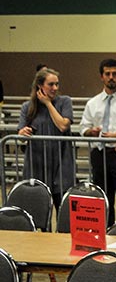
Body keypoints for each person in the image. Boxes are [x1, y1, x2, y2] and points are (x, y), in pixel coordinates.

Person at [79, 59, 116, 223]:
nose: (111, 77)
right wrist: (92, 131)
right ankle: (106, 233)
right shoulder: (93, 103)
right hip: (100, 154)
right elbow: (83, 128)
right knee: (103, 198)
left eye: (115, 74)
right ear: (101, 77)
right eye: (107, 74)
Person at [16, 68, 75, 211]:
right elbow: (20, 135)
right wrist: (23, 133)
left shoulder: (64, 102)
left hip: (61, 163)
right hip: (36, 164)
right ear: (40, 86)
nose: (55, 88)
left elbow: (62, 125)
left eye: (57, 84)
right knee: (37, 211)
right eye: (51, 84)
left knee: (63, 210)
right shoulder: (27, 107)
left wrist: (48, 103)